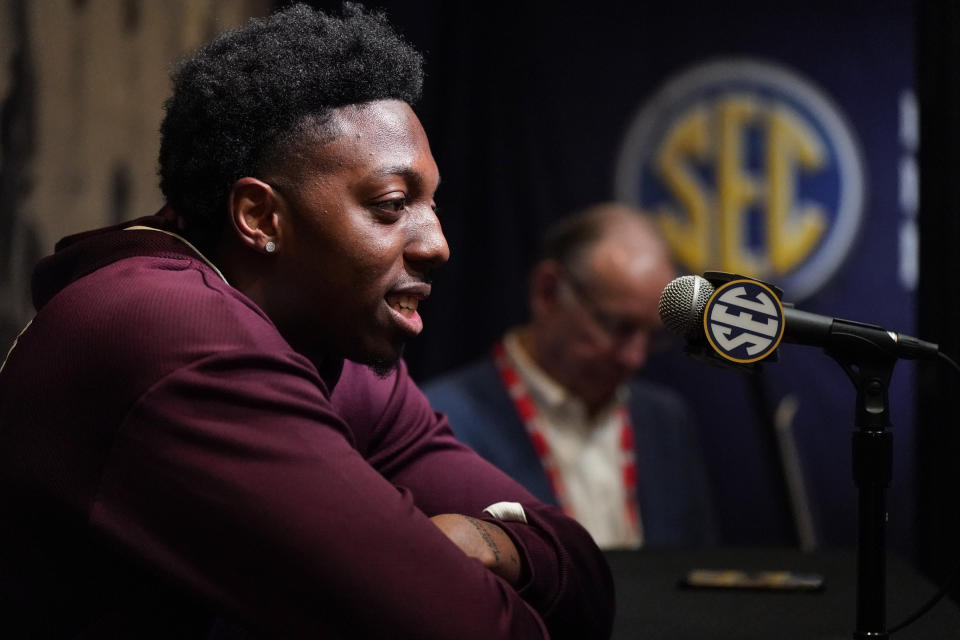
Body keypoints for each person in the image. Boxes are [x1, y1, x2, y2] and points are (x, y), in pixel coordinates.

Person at [0, 5, 613, 639]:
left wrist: (487, 540)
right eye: (391, 205)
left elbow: (581, 573)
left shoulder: (326, 332)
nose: (437, 243)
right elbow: (478, 626)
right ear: (260, 218)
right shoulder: (177, 336)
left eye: (432, 202)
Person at [424, 203, 717, 549]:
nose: (635, 358)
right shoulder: (440, 419)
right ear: (548, 291)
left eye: (653, 336)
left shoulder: (665, 420)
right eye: (618, 327)